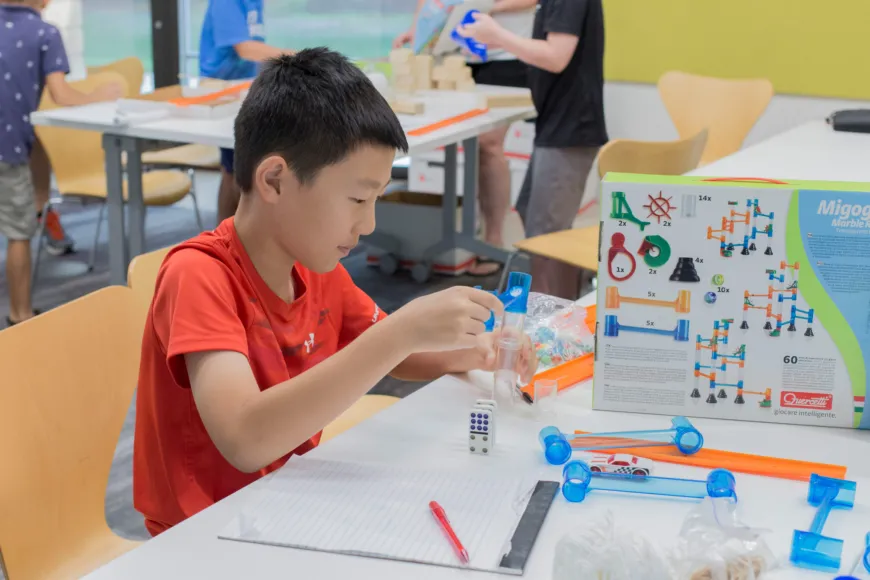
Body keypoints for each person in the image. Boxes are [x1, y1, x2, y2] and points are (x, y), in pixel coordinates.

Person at [133, 49, 538, 536]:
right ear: (275, 180)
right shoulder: (200, 276)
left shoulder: (313, 265)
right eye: (357, 199)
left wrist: (472, 354)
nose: (368, 224)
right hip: (201, 536)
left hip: (286, 504)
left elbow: (391, 353)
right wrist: (403, 332)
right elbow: (244, 438)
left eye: (375, 200)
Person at [458, 0, 608, 299]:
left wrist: (497, 35)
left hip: (571, 127)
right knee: (532, 212)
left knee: (546, 231)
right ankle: (558, 302)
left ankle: (549, 311)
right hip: (557, 123)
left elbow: (556, 57)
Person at [0, 0, 121, 326]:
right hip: (6, 148)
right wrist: (100, 94)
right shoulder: (44, 32)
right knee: (18, 233)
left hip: (14, 142)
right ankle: (20, 315)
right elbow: (62, 95)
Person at [394, 0, 537, 276]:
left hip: (506, 53)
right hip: (456, 52)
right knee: (463, 138)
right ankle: (465, 237)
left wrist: (484, 6)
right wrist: (419, 31)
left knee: (489, 144)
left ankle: (493, 239)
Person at [198, 0, 295, 223]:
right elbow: (246, 49)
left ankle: (232, 240)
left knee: (234, 169)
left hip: (242, 89)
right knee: (237, 171)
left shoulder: (254, 3)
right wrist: (294, 56)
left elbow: (256, 51)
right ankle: (231, 240)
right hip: (221, 91)